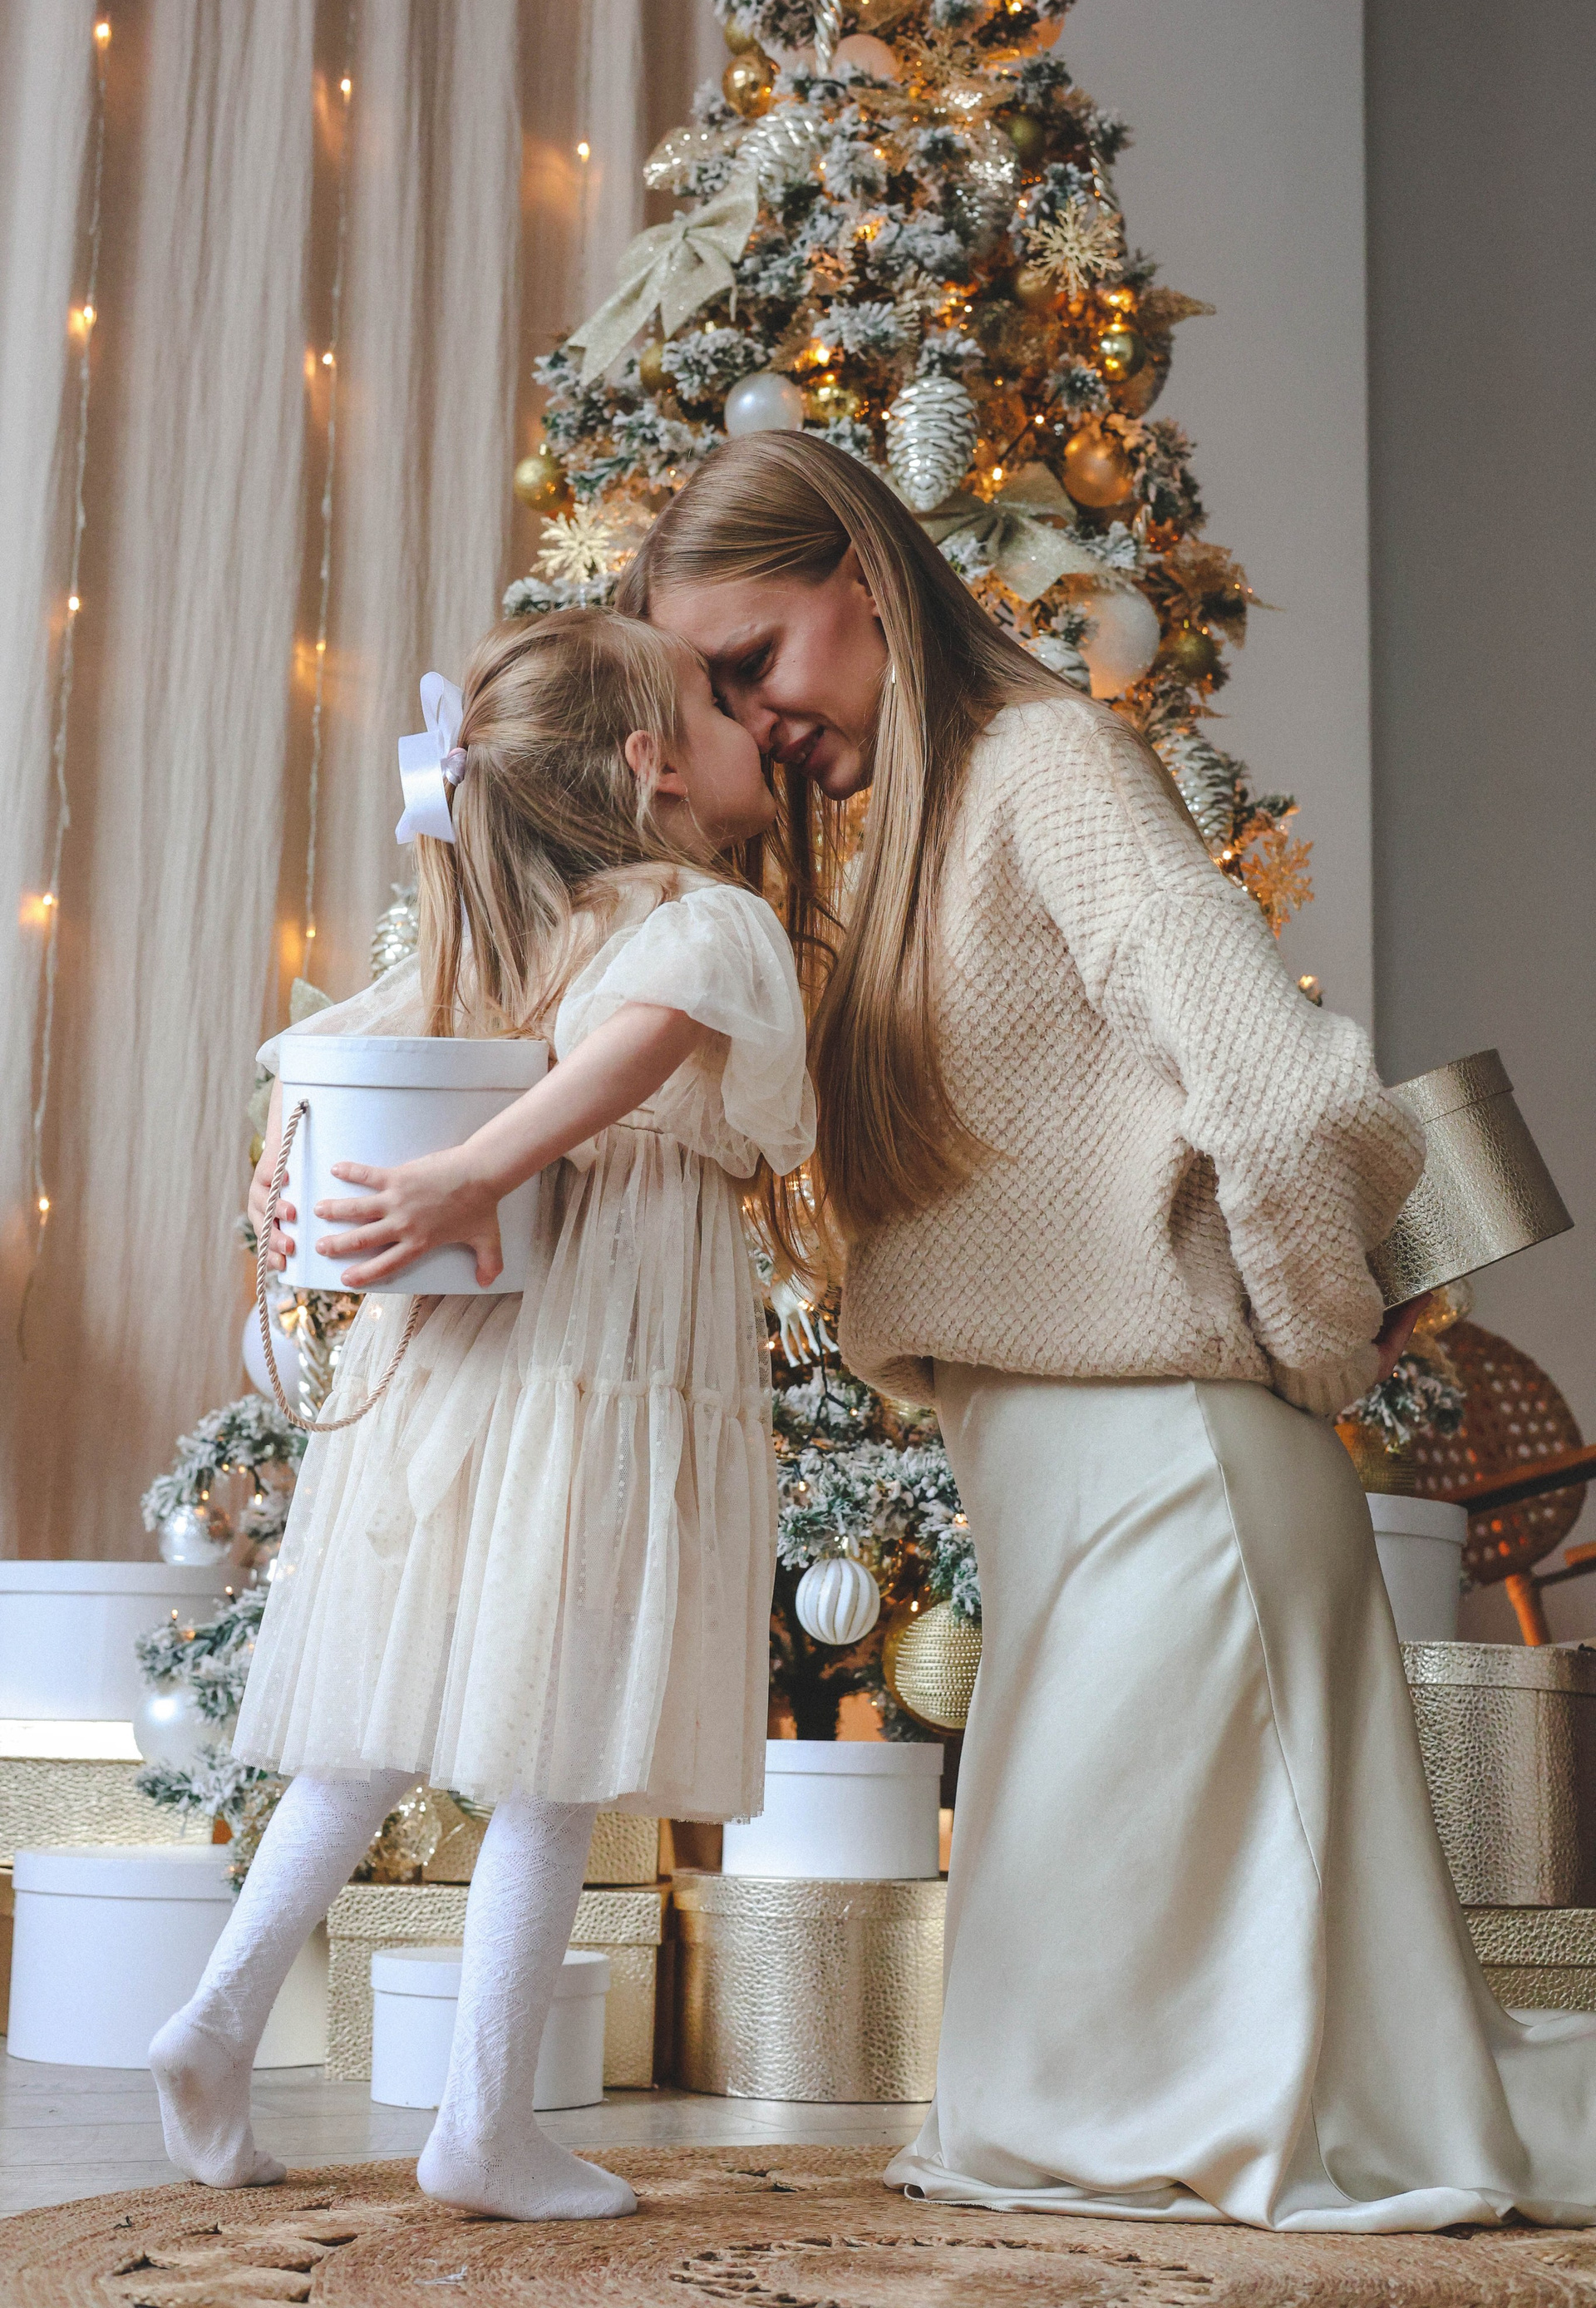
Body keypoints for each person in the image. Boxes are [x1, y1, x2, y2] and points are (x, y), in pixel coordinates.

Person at [618, 432, 1596, 2233]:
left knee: (1114, 2121)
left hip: (1180, 1482)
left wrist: (1316, 1345)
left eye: (752, 661)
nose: (750, 720)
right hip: (1066, 1492)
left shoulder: (1050, 764)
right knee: (1046, 2104)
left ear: (863, 575)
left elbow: (1286, 1091)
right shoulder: (885, 855)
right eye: (712, 696)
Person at [149, 607, 814, 2222]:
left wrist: (285, 1173)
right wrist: (477, 1169)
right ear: (655, 764)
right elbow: (648, 1040)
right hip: (599, 1341)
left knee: (379, 1725)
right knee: (555, 1744)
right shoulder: (700, 916)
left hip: (474, 1361)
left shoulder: (507, 935)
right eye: (721, 703)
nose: (756, 724)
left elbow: (311, 1056)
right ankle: (483, 2124)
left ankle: (218, 2021)